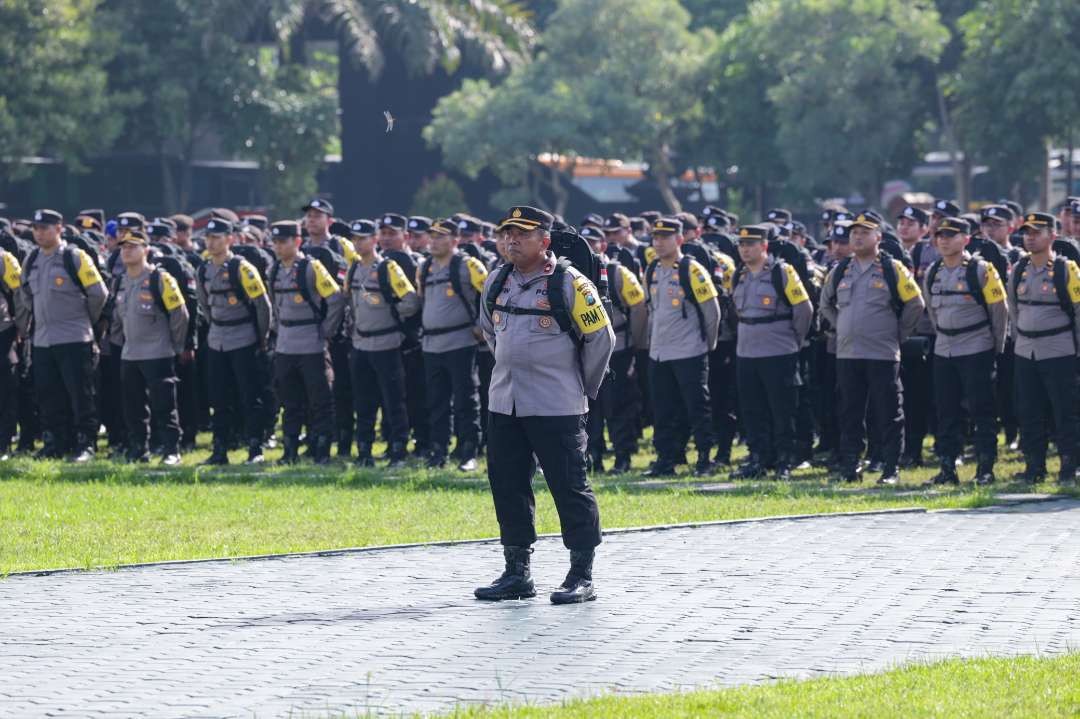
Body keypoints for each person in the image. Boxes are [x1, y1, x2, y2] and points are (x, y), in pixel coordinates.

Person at [474, 206, 614, 604]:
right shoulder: (497, 280)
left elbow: (601, 340)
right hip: (505, 403)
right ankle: (517, 571)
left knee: (569, 487)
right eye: (506, 233)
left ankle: (580, 574)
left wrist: (579, 389)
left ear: (544, 240)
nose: (511, 240)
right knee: (508, 485)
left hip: (557, 405)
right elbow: (490, 332)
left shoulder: (570, 283)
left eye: (521, 234)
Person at [819, 212, 924, 484]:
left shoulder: (893, 269)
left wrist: (898, 333)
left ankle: (891, 468)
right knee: (850, 411)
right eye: (854, 232)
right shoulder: (841, 269)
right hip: (848, 353)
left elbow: (915, 304)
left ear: (878, 237)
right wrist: (840, 325)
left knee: (888, 411)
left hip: (882, 352)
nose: (857, 236)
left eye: (864, 232)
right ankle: (851, 466)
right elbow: (825, 304)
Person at [16, 209, 109, 461]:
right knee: (48, 395)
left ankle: (85, 444)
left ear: (59, 229)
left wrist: (83, 321)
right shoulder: (32, 258)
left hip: (74, 337)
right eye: (36, 228)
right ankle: (55, 442)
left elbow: (98, 294)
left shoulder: (74, 256)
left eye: (45, 228)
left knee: (81, 395)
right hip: (43, 339)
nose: (39, 232)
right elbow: (25, 294)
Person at [922, 217, 1008, 485]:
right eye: (940, 235)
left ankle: (985, 468)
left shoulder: (982, 270)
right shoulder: (933, 271)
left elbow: (1000, 310)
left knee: (982, 410)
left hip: (976, 346)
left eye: (951, 235)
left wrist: (994, 347)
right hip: (944, 348)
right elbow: (932, 311)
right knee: (946, 411)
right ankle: (948, 468)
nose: (944, 239)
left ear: (966, 239)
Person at [730, 224, 814, 479]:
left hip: (778, 351)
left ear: (764, 246)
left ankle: (784, 460)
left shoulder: (782, 272)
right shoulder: (739, 275)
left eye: (751, 244)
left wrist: (792, 342)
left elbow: (804, 310)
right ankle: (758, 458)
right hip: (747, 352)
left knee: (782, 410)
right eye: (742, 245)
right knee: (753, 410)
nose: (745, 249)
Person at [643, 217, 721, 477]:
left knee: (697, 407)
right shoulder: (652, 268)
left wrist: (707, 345)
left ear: (679, 239)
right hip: (659, 352)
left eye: (665, 237)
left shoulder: (692, 268)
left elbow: (712, 312)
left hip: (689, 350)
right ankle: (666, 459)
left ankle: (704, 458)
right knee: (663, 409)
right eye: (655, 237)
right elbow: (651, 310)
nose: (659, 242)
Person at [1007, 212, 1080, 485]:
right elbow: (1013, 309)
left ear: (1053, 235)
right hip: (1026, 350)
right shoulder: (1019, 269)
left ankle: (1069, 467)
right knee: (1029, 411)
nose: (1030, 237)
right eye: (1027, 232)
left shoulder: (1066, 269)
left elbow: (1078, 310)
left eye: (1037, 232)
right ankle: (1034, 467)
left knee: (1065, 412)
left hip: (1059, 349)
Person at [343, 219, 421, 467]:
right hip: (360, 344)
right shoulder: (354, 268)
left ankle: (397, 451)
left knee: (394, 402)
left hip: (387, 343)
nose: (358, 243)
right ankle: (364, 452)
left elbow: (410, 302)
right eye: (354, 239)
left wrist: (390, 310)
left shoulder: (389, 267)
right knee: (363, 402)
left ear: (374, 240)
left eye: (363, 238)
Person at [267, 221, 345, 464]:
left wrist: (325, 331)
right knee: (289, 402)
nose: (278, 247)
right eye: (276, 242)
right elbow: (274, 305)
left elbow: (335, 299)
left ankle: (321, 450)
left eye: (284, 242)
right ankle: (289, 451)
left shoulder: (312, 268)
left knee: (320, 400)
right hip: (285, 344)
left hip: (311, 342)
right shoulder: (274, 270)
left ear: (297, 241)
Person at [196, 217, 272, 465]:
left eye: (217, 238)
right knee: (218, 398)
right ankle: (220, 449)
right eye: (208, 238)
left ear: (230, 239)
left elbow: (263, 306)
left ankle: (254, 447)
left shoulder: (243, 268)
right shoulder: (203, 269)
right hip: (217, 338)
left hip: (243, 337)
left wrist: (261, 338)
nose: (211, 242)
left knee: (250, 396)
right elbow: (205, 306)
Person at [110, 228, 189, 465]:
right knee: (133, 407)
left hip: (158, 352)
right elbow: (117, 318)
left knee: (164, 405)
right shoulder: (120, 282)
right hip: (130, 353)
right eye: (123, 247)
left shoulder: (160, 279)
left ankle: (171, 450)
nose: (127, 251)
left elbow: (179, 315)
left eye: (133, 247)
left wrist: (175, 346)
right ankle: (138, 449)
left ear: (146, 250)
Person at [418, 218, 488, 471]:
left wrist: (483, 325)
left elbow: (491, 294)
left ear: (455, 240)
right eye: (431, 236)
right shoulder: (424, 267)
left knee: (465, 400)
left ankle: (469, 451)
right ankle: (438, 451)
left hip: (460, 342)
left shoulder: (468, 265)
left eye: (440, 236)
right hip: (431, 344)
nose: (433, 241)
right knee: (436, 401)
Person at [0, 242, 24, 460]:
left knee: (4, 391)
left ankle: (3, 442)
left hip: (2, 332)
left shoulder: (4, 259)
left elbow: (20, 295)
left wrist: (21, 326)